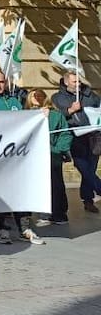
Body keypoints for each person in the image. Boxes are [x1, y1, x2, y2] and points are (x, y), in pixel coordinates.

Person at [0, 68, 42, 244]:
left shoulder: (13, 100)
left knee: (20, 192)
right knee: (0, 194)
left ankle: (24, 228)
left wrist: (40, 115)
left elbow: (25, 122)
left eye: (1, 81)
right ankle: (1, 229)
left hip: (16, 156)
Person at [51, 71, 101, 214]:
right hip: (74, 136)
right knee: (82, 166)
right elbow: (56, 115)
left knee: (90, 168)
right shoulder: (58, 97)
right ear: (66, 82)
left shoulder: (90, 94)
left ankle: (88, 200)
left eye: (79, 81)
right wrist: (70, 110)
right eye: (74, 82)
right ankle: (99, 188)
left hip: (93, 136)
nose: (78, 84)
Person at [28, 89, 72, 225]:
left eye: (40, 95)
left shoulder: (56, 115)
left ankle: (59, 214)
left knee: (56, 185)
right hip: (31, 157)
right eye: (34, 96)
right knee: (37, 185)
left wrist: (58, 149)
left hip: (52, 155)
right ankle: (44, 213)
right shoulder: (24, 115)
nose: (37, 98)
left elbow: (65, 134)